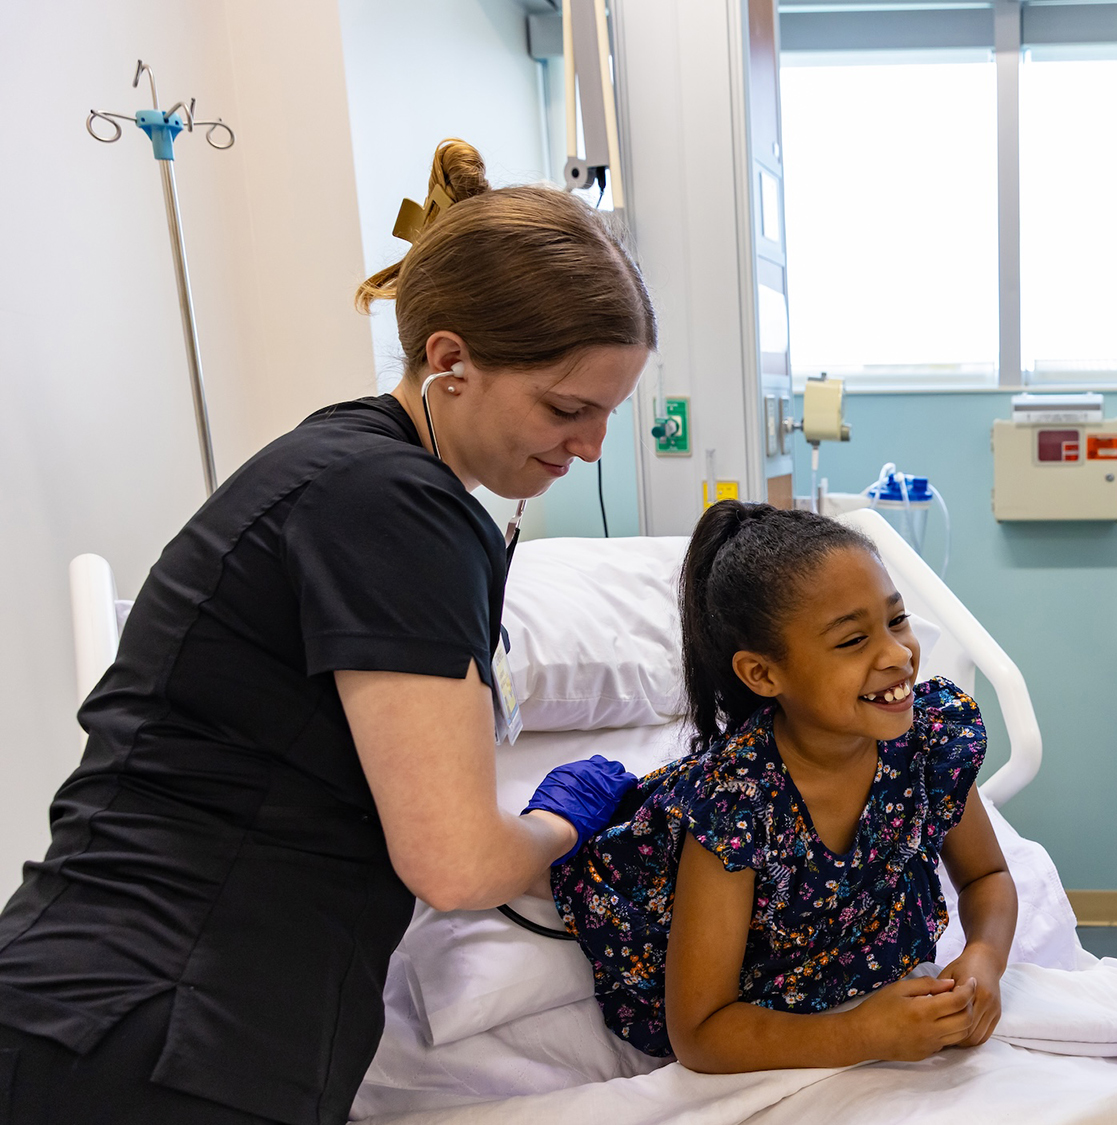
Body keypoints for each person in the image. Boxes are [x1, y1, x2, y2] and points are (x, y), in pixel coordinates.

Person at [0, 140, 651, 1125]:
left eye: (608, 413)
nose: (590, 445)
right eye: (567, 407)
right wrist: (571, 815)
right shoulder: (396, 506)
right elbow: (458, 862)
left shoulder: (342, 467)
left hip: (117, 1015)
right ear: (448, 361)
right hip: (156, 1033)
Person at [552, 501, 1019, 1073]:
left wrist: (985, 958)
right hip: (669, 935)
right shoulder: (736, 809)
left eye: (896, 621)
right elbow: (700, 1032)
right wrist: (861, 1035)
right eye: (852, 641)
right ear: (763, 674)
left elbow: (986, 876)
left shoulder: (923, 741)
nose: (898, 655)